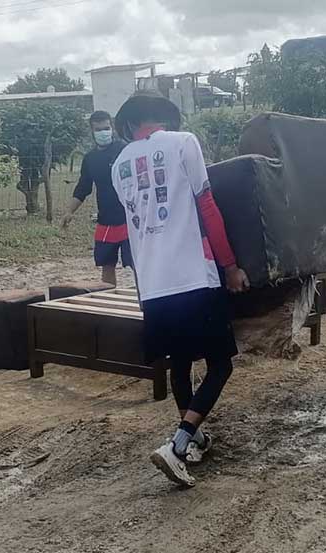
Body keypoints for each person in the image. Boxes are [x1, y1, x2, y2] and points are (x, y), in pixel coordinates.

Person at [110, 92, 250, 487]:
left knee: (181, 363)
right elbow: (207, 207)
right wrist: (231, 266)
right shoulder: (184, 142)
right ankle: (177, 444)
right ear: (164, 120)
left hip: (152, 284)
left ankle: (196, 438)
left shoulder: (119, 165)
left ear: (130, 125)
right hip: (193, 276)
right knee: (220, 365)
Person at [66, 110, 130, 286]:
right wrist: (69, 211)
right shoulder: (90, 159)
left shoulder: (124, 150)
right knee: (106, 265)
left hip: (130, 218)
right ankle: (109, 303)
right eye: (99, 129)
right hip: (106, 220)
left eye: (106, 128)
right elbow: (83, 187)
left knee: (138, 264)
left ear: (112, 128)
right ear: (92, 131)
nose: (104, 132)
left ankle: (143, 303)